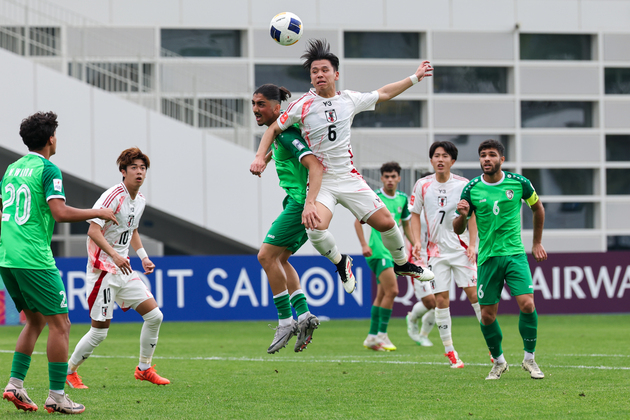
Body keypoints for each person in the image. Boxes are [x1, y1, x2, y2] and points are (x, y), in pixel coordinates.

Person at [250, 39, 435, 293]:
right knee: (314, 226)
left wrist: (414, 78)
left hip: (349, 177)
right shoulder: (301, 105)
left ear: (335, 74)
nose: (319, 75)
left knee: (387, 223)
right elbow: (274, 128)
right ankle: (341, 261)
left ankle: (402, 264)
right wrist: (261, 156)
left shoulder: (349, 99)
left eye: (324, 70)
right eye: (314, 72)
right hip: (321, 180)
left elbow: (384, 93)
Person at [1, 111, 117, 414]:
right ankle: (56, 395)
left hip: (7, 256)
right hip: (33, 258)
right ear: (51, 138)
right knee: (61, 324)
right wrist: (99, 213)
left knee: (36, 320)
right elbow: (60, 213)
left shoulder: (12, 169)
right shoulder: (48, 169)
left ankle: (15, 384)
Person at [65, 147, 170, 389]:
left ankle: (144, 368)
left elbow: (131, 230)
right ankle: (69, 371)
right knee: (100, 332)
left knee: (155, 316)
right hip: (103, 271)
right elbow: (92, 231)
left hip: (123, 269)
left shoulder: (139, 200)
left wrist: (143, 257)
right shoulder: (112, 196)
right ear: (123, 171)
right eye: (133, 167)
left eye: (143, 168)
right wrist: (114, 255)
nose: (139, 172)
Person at [453, 139, 547, 380]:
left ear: (501, 159)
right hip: (487, 259)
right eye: (483, 155)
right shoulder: (471, 188)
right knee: (487, 315)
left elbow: (538, 208)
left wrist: (536, 242)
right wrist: (462, 216)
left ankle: (530, 359)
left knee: (527, 304)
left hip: (515, 254)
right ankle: (499, 362)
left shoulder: (519, 183)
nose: (487, 159)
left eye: (492, 155)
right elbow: (457, 227)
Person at [251, 84, 324, 354]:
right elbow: (285, 149)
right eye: (254, 104)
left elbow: (311, 163)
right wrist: (267, 159)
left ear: (277, 108)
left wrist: (308, 203)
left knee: (265, 257)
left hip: (301, 204)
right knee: (281, 259)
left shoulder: (285, 134)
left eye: (261, 104)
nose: (256, 109)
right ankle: (304, 316)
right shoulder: (281, 136)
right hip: (299, 203)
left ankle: (285, 320)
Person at [409, 141, 481, 368]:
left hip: (461, 250)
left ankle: (492, 349)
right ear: (431, 160)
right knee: (441, 300)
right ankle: (451, 353)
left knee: (476, 297)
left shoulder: (463, 185)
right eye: (436, 156)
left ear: (453, 161)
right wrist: (417, 241)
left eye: (445, 156)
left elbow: (473, 215)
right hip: (436, 253)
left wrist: (472, 244)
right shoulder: (422, 185)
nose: (440, 159)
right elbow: (414, 215)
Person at [354, 162, 414, 351]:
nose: (389, 180)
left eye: (393, 176)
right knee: (393, 291)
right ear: (381, 178)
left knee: (381, 295)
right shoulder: (375, 197)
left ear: (398, 178)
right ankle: (382, 335)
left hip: (393, 252)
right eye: (386, 176)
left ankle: (371, 337)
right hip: (378, 251)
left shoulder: (403, 199)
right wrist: (364, 244)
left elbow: (406, 225)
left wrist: (414, 243)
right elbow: (358, 222)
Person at [406, 173, 437, 348]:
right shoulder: (414, 209)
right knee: (430, 301)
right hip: (418, 259)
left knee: (439, 302)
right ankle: (412, 318)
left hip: (437, 257)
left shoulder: (441, 205)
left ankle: (423, 335)